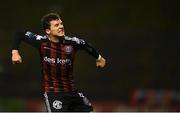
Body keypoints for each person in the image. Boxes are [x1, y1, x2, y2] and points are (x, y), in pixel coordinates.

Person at [11, 13, 106, 112]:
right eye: (56, 25)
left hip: (72, 92)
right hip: (54, 93)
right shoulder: (41, 42)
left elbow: (86, 46)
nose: (61, 27)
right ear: (48, 31)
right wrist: (15, 52)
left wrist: (99, 57)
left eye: (61, 24)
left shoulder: (72, 42)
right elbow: (19, 33)